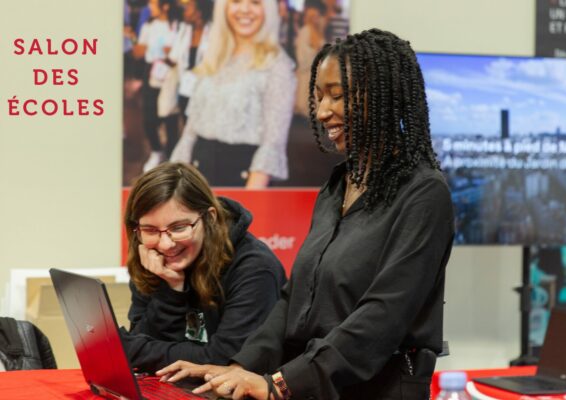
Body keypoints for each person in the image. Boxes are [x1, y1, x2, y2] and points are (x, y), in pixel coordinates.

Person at [157, 29, 455, 400]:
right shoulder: (336, 185)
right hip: (311, 386)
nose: (323, 111)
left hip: (379, 388)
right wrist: (239, 368)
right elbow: (293, 299)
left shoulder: (424, 193)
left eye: (337, 95)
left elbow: (382, 317)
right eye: (318, 97)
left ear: (384, 95)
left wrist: (280, 383)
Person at [121, 162, 287, 372]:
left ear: (210, 217)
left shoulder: (254, 267)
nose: (166, 244)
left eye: (179, 228)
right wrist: (171, 290)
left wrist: (136, 351)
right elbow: (140, 344)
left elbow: (225, 361)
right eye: (151, 230)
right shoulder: (151, 257)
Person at [169, 0, 296, 188]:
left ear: (267, 9)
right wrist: (175, 184)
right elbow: (191, 130)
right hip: (197, 178)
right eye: (236, 1)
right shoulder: (214, 57)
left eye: (255, 2)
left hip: (242, 179)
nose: (244, 9)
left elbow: (272, 144)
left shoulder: (278, 66)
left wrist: (250, 204)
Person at [132, 0, 180, 172]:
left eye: (153, 4)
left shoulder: (176, 25)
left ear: (165, 6)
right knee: (149, 117)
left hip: (170, 74)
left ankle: (172, 156)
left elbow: (179, 52)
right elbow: (139, 53)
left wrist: (171, 52)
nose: (149, 8)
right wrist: (134, 40)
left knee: (170, 117)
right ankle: (156, 151)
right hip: (151, 72)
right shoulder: (148, 26)